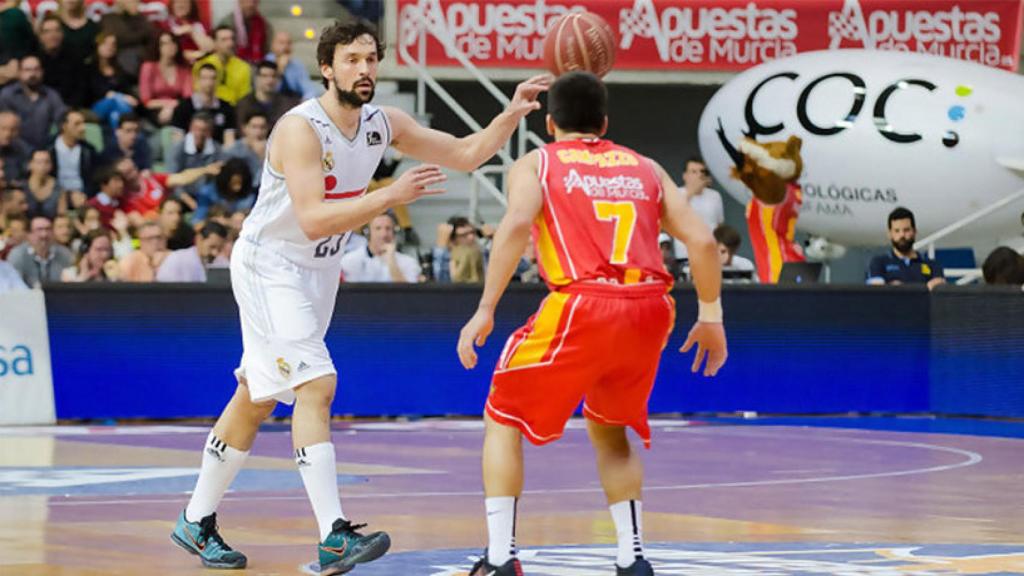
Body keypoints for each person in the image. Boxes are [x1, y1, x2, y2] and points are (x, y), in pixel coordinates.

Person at [169, 18, 549, 575]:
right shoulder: (300, 129)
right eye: (352, 59)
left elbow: (468, 153)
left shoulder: (382, 122)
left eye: (371, 59)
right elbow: (312, 218)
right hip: (271, 264)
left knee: (257, 395)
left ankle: (195, 520)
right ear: (327, 68)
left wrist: (510, 114)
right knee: (316, 384)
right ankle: (334, 535)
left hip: (317, 272)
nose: (365, 69)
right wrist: (389, 195)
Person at [456, 71, 727, 576]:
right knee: (610, 429)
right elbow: (704, 241)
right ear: (604, 123)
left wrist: (486, 307)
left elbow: (516, 224)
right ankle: (632, 557)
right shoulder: (646, 167)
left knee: (503, 416)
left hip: (583, 302)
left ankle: (499, 557)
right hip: (650, 307)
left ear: (550, 124)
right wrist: (711, 316)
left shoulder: (537, 162)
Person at [867, 207, 945, 290]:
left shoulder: (932, 265)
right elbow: (877, 292)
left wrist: (897, 288)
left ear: (914, 232)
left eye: (906, 230)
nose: (902, 235)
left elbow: (938, 288)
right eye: (897, 231)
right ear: (890, 234)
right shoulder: (879, 263)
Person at [669, 156, 724, 266]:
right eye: (693, 172)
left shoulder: (715, 196)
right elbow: (673, 217)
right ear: (685, 176)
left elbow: (719, 225)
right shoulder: (677, 193)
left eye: (701, 171)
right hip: (685, 255)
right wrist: (692, 192)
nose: (698, 175)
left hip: (711, 254)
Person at [339, 212, 420, 282]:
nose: (383, 234)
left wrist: (392, 261)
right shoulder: (349, 260)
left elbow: (407, 293)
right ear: (367, 232)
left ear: (395, 232)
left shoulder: (409, 262)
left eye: (388, 228)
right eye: (378, 228)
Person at [139, 31, 193, 126]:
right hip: (153, 110)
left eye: (173, 42)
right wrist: (169, 104)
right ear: (158, 47)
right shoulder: (148, 67)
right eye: (165, 43)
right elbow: (146, 100)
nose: (170, 46)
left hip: (177, 109)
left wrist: (171, 107)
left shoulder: (184, 69)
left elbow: (187, 97)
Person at [7, 215, 75, 286]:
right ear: (29, 234)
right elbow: (13, 286)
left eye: (48, 229)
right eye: (39, 230)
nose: (44, 235)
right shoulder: (18, 255)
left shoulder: (64, 254)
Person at [192, 26, 251, 106]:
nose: (230, 43)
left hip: (234, 109)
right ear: (215, 43)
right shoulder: (201, 65)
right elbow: (197, 93)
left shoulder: (244, 67)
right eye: (224, 40)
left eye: (232, 39)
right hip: (208, 107)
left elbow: (244, 97)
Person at [155, 221, 225, 282]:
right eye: (212, 247)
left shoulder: (222, 263)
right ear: (199, 239)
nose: (215, 253)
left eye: (219, 249)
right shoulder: (177, 259)